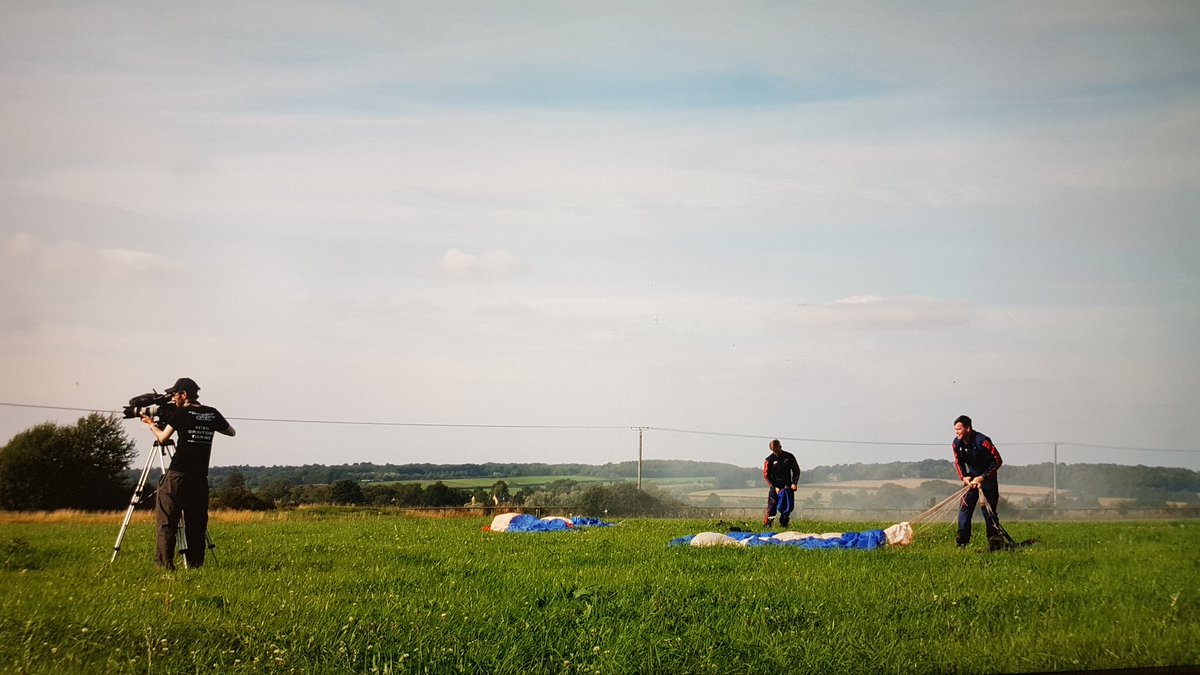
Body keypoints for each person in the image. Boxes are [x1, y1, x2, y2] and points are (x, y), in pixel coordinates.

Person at [141, 377, 235, 570]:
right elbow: (231, 432)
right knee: (197, 522)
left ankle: (165, 565)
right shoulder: (211, 413)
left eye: (175, 395)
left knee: (167, 521)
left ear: (184, 395)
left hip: (178, 474)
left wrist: (151, 424)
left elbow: (162, 438)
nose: (173, 399)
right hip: (199, 477)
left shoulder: (181, 413)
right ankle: (195, 565)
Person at [951, 415, 1003, 548]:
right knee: (964, 508)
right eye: (955, 430)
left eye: (959, 429)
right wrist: (964, 477)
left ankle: (994, 541)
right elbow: (958, 462)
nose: (957, 432)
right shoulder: (956, 443)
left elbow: (997, 461)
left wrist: (983, 477)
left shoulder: (982, 441)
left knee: (988, 510)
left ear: (968, 428)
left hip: (987, 480)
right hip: (971, 479)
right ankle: (962, 540)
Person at [762, 439, 800, 528]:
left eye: (777, 449)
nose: (776, 452)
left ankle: (784, 524)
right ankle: (768, 525)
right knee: (772, 507)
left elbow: (796, 470)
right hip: (775, 486)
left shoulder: (789, 457)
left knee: (787, 507)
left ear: (780, 447)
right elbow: (766, 475)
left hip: (787, 486)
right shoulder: (769, 460)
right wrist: (774, 486)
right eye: (774, 450)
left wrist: (794, 483)